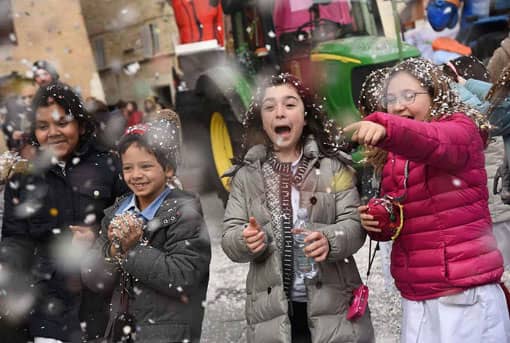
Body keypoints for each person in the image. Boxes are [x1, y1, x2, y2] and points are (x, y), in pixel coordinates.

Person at [345, 58, 510, 342]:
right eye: (391, 99)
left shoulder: (461, 130)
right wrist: (381, 218)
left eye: (410, 96)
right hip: (419, 297)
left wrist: (388, 128)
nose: (398, 106)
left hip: (465, 298)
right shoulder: (395, 155)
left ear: (436, 94)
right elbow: (401, 213)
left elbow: (434, 142)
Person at [222, 73, 374, 343]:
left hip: (334, 305)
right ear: (261, 122)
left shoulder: (333, 166)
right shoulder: (247, 176)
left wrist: (330, 240)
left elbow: (354, 225)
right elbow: (229, 235)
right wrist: (245, 240)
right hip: (273, 312)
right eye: (269, 107)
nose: (280, 112)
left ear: (305, 116)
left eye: (290, 104)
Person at [0, 81, 127, 342]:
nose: (53, 133)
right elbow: (15, 238)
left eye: (62, 123)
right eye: (43, 126)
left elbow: (132, 217)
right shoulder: (24, 178)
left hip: (105, 302)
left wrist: (99, 235)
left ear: (80, 124)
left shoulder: (110, 166)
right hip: (49, 310)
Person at [82, 118, 211, 342]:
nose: (136, 175)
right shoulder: (116, 213)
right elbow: (93, 279)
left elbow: (184, 277)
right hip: (121, 331)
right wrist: (113, 252)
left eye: (146, 166)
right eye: (128, 168)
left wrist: (132, 249)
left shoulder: (183, 214)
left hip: (167, 332)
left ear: (168, 169)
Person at [444, 57, 510, 267]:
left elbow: (488, 115)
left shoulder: (497, 114)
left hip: (494, 209)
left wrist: (458, 86)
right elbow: (499, 100)